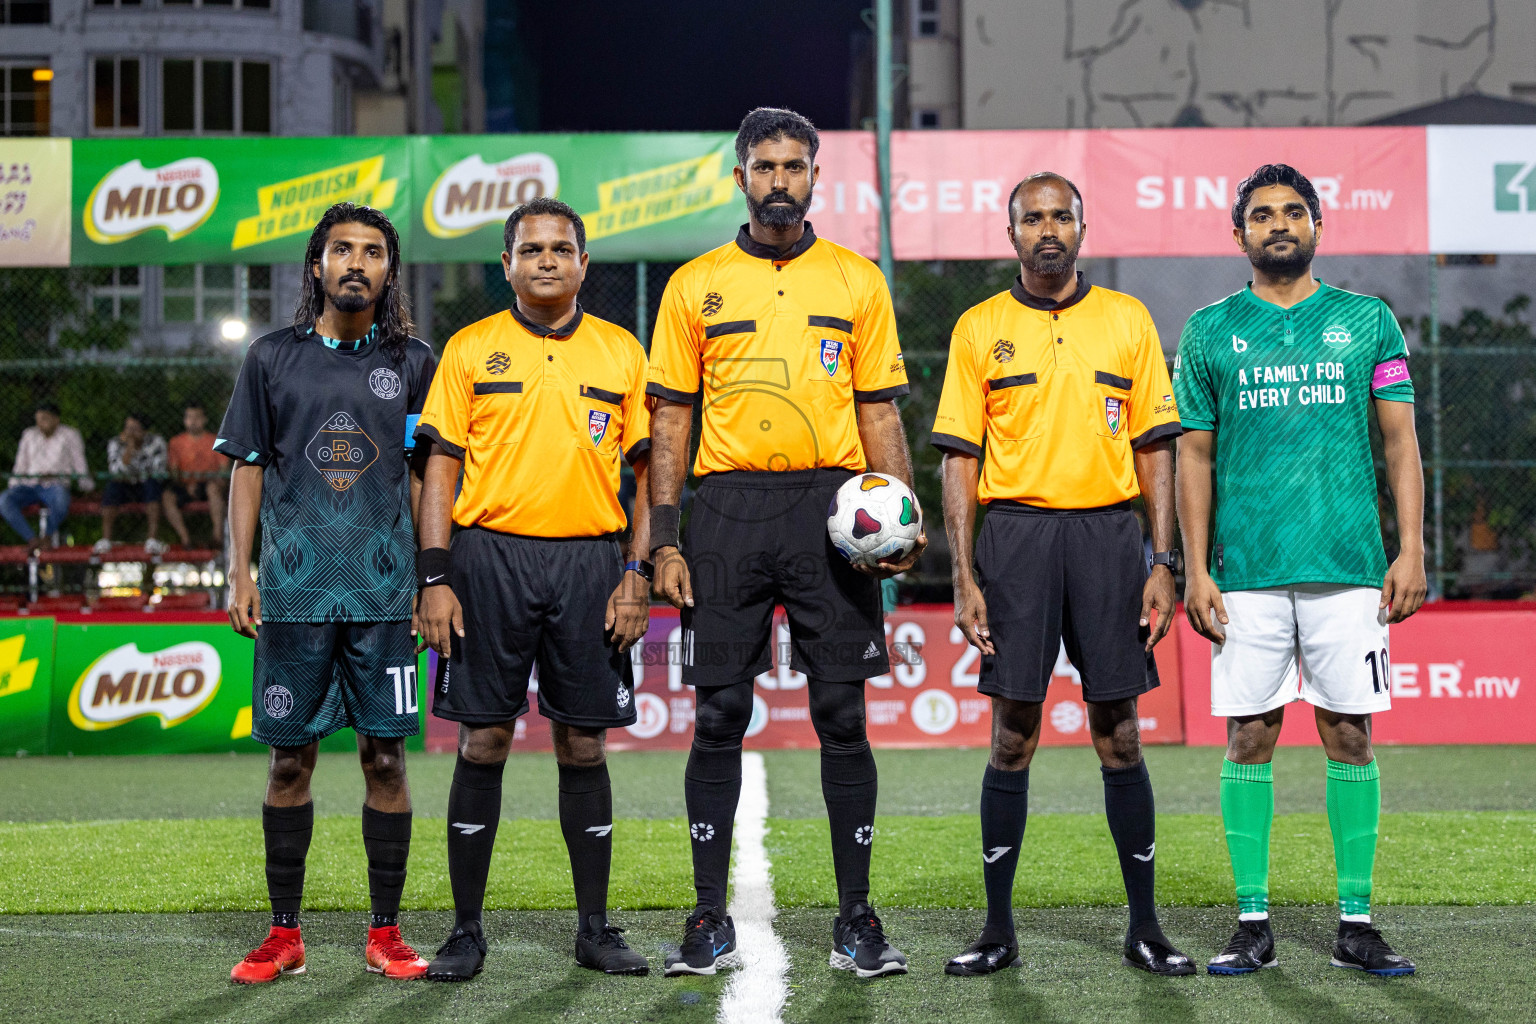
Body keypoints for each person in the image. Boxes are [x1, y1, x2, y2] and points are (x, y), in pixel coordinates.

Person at [647, 107, 923, 980]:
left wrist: (902, 515)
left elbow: (879, 408)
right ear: (740, 179)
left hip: (832, 508)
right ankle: (706, 916)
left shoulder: (856, 281)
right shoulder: (694, 285)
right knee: (719, 713)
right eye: (762, 165)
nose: (778, 179)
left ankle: (856, 919)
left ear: (814, 178)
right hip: (725, 508)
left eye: (793, 166)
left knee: (842, 714)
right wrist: (663, 537)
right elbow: (670, 420)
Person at [933, 172, 1192, 978]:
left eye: (1061, 216)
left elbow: (1156, 447)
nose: (1048, 229)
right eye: (1032, 218)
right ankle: (997, 929)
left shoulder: (1126, 319)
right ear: (1009, 233)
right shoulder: (979, 327)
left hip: (1111, 538)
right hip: (1014, 538)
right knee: (1013, 732)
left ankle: (1145, 928)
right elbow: (960, 460)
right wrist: (964, 574)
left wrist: (1162, 560)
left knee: (1118, 730)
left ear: (1082, 227)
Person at [1174, 163, 1425, 978]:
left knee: (1349, 734)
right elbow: (1194, 456)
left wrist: (1411, 549)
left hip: (1349, 567)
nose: (1278, 224)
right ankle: (1252, 922)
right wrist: (1195, 569)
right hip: (1244, 571)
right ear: (1237, 233)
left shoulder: (1368, 320)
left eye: (1292, 212)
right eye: (1261, 215)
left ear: (1318, 224)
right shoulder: (1210, 330)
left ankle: (1357, 922)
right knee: (1250, 737)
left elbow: (1399, 444)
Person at [414, 197, 653, 981]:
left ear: (585, 264)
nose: (546, 260)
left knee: (583, 742)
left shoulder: (623, 353)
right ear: (507, 264)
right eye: (530, 249)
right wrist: (436, 577)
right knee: (483, 738)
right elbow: (439, 468)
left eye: (561, 248)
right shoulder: (470, 349)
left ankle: (594, 928)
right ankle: (464, 931)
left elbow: (648, 477)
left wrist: (635, 572)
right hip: (487, 562)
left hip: (591, 562)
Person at [217, 203, 437, 984]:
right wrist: (238, 572)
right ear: (316, 265)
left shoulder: (414, 361)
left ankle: (387, 932)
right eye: (341, 249)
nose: (356, 262)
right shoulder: (271, 358)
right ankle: (284, 936)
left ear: (388, 270)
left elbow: (423, 479)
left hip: (384, 600)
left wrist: (427, 580)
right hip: (296, 595)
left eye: (373, 252)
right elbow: (246, 467)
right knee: (288, 767)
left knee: (386, 762)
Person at [0, 402, 91, 550]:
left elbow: (79, 463)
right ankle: (32, 539)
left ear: (56, 419)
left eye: (45, 419)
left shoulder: (70, 435)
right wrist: (14, 485)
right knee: (4, 500)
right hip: (29, 485)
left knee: (61, 499)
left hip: (55, 484)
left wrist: (86, 485)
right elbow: (20, 465)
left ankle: (47, 536)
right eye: (38, 419)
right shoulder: (29, 435)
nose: (40, 423)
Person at [96, 413, 169, 555]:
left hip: (146, 485)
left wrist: (137, 457)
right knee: (112, 486)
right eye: (127, 428)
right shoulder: (116, 443)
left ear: (144, 431)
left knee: (152, 485)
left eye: (134, 429)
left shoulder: (157, 442)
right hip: (124, 485)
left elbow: (158, 471)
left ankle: (152, 540)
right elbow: (115, 470)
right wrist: (129, 450)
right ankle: (106, 540)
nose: (130, 433)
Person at [165, 402, 228, 548]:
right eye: (189, 417)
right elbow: (174, 471)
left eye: (197, 417)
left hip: (209, 484)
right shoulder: (176, 442)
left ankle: (217, 538)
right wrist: (186, 485)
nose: (193, 421)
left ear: (204, 419)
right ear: (184, 420)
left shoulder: (215, 441)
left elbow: (223, 469)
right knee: (167, 497)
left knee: (213, 488)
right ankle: (185, 539)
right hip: (185, 484)